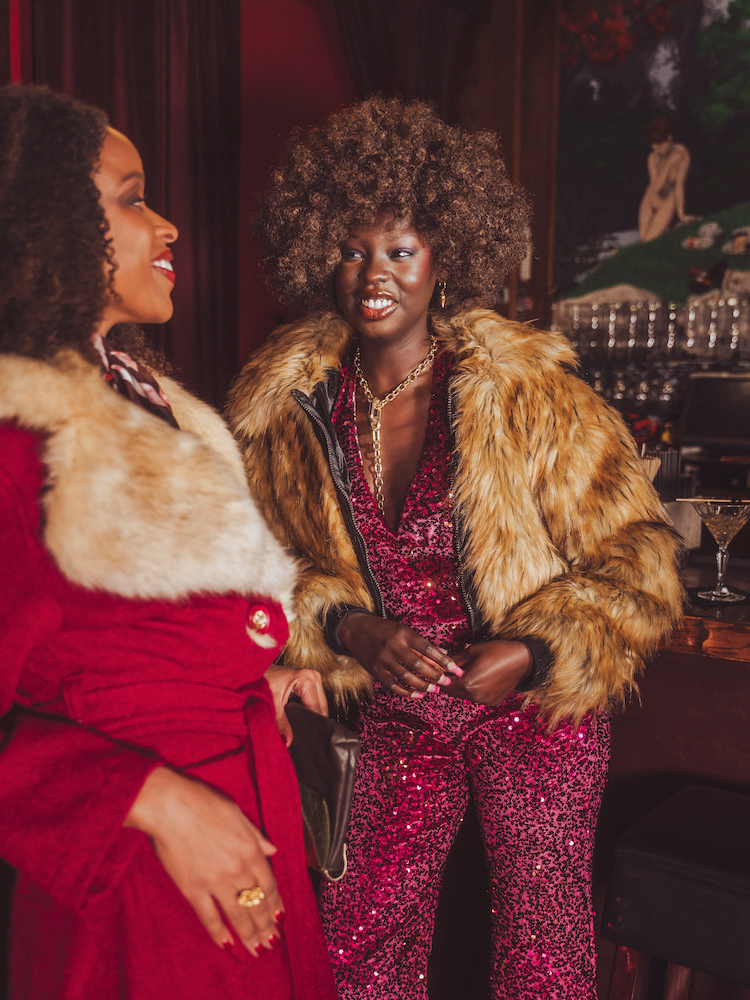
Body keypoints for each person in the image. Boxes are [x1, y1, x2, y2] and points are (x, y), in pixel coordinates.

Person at [225, 96, 684, 1000]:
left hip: (534, 706)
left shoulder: (531, 396)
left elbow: (640, 558)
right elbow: (253, 565)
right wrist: (350, 628)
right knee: (358, 942)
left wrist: (530, 649)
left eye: (401, 249)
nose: (374, 274)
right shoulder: (286, 410)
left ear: (447, 256)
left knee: (543, 948)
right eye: (353, 249)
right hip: (396, 708)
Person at [0, 83, 338, 1000]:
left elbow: (122, 633)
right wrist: (150, 798)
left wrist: (244, 672)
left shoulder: (141, 396)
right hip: (137, 879)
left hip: (246, 809)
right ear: (39, 221)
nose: (164, 225)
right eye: (131, 199)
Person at [638, 116, 693, 241]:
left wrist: (681, 214)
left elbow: (679, 185)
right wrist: (669, 165)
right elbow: (656, 187)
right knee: (642, 240)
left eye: (660, 146)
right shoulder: (652, 158)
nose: (658, 150)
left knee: (649, 241)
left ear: (669, 138)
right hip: (650, 198)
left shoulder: (682, 154)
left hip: (668, 200)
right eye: (654, 146)